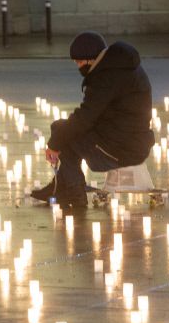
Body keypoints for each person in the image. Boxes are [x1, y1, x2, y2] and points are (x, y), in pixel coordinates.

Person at [31, 31, 155, 208]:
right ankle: (61, 186)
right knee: (62, 129)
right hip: (131, 140)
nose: (78, 67)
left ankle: (73, 194)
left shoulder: (106, 77)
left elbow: (85, 118)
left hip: (121, 149)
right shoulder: (120, 65)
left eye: (80, 62)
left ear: (91, 59)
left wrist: (54, 144)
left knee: (64, 136)